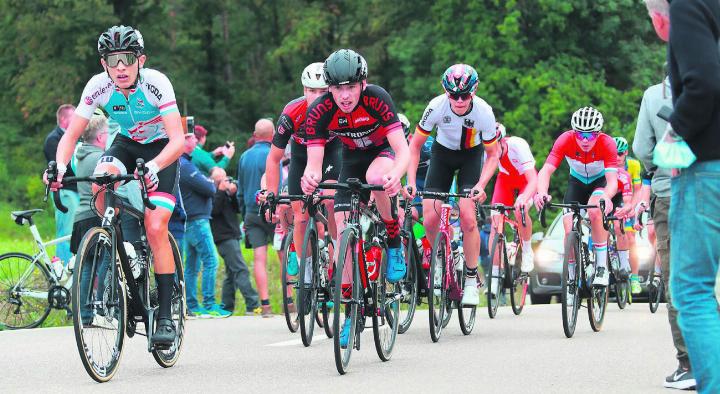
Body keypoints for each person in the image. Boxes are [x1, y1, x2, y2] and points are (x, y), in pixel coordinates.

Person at [46, 25, 183, 346]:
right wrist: (60, 167)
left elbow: (178, 139)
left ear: (140, 60)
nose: (120, 67)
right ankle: (124, 245)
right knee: (100, 182)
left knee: (156, 225)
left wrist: (154, 166)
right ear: (103, 64)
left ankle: (164, 315)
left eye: (127, 59)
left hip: (162, 151)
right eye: (112, 60)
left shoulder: (157, 84)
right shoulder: (98, 86)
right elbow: (70, 134)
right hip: (127, 143)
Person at [301, 49, 410, 347]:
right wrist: (310, 177)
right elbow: (314, 162)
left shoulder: (377, 98)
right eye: (337, 88)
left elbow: (403, 151)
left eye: (350, 87)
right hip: (350, 157)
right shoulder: (320, 110)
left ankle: (392, 237)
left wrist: (396, 175)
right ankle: (352, 311)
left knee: (377, 179)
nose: (344, 95)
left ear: (363, 84)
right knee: (341, 225)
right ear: (329, 88)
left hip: (382, 153)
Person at [405, 64, 499, 306]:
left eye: (464, 95)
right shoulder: (435, 107)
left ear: (474, 91)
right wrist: (410, 181)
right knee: (429, 218)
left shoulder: (484, 112)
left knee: (468, 218)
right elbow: (414, 147)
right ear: (445, 92)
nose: (459, 100)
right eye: (453, 95)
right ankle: (439, 259)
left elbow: (493, 155)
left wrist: (481, 184)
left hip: (470, 156)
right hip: (442, 155)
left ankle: (469, 279)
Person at [662, 0, 720, 391]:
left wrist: (675, 132)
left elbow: (703, 81)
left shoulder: (685, 5)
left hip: (707, 165)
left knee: (691, 287)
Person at [636, 6, 692, 389]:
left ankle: (689, 363)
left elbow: (642, 148)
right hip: (710, 188)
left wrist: (658, 169)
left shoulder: (654, 97)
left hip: (669, 194)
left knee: (677, 279)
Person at [263, 62, 341, 296]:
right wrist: (271, 195)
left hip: (332, 151)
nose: (317, 96)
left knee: (331, 201)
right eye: (312, 91)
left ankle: (338, 256)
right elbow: (274, 158)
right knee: (300, 216)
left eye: (323, 91)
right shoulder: (291, 112)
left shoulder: (339, 107)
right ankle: (306, 274)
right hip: (301, 154)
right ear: (304, 90)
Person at [534, 107, 618, 287]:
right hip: (576, 182)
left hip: (599, 182)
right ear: (574, 132)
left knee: (595, 211)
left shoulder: (608, 143)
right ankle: (572, 274)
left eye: (591, 136)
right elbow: (546, 171)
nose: (585, 141)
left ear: (599, 133)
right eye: (580, 135)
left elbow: (612, 181)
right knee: (568, 228)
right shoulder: (565, 140)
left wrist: (607, 196)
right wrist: (541, 192)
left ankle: (602, 267)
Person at [179, 132, 230, 319]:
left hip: (189, 220)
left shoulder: (184, 163)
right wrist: (210, 181)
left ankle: (191, 305)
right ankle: (209, 305)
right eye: (190, 136)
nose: (194, 139)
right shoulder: (185, 165)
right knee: (211, 261)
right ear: (183, 140)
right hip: (197, 220)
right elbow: (209, 188)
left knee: (191, 265)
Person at [487, 123, 537, 294]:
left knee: (519, 210)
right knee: (495, 221)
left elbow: (533, 180)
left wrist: (523, 198)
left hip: (526, 180)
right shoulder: (487, 152)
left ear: (502, 141)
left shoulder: (518, 145)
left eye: (495, 146)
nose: (491, 150)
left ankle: (528, 251)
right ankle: (494, 277)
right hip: (505, 180)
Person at [237, 118, 277, 317]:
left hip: (252, 213)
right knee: (283, 254)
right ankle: (290, 301)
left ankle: (266, 305)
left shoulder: (244, 157)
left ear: (255, 135)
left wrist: (244, 214)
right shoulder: (275, 154)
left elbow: (240, 189)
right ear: (273, 135)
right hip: (275, 211)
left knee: (259, 259)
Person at [210, 167, 261, 316]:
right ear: (214, 180)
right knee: (241, 269)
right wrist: (220, 190)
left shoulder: (224, 193)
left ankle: (227, 306)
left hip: (231, 235)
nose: (225, 182)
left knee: (231, 273)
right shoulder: (211, 192)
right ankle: (253, 304)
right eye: (220, 180)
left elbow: (237, 209)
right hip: (223, 237)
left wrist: (232, 194)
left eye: (226, 179)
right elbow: (213, 211)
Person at [43, 104, 78, 265]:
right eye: (73, 116)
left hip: (75, 190)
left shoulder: (74, 138)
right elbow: (60, 168)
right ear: (64, 119)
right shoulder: (53, 139)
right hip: (64, 191)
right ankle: (63, 268)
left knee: (73, 231)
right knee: (66, 232)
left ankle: (71, 266)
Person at [612, 137, 643, 294]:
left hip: (628, 198)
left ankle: (635, 278)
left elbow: (638, 190)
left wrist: (631, 207)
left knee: (631, 238)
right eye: (613, 154)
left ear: (625, 153)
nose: (616, 158)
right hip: (612, 198)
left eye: (619, 154)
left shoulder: (633, 165)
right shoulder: (606, 163)